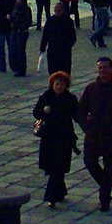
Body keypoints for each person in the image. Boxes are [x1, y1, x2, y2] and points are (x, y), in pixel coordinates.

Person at [76, 56, 112, 211]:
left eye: (105, 67)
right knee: (90, 162)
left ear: (111, 69)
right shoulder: (91, 88)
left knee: (110, 168)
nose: (102, 70)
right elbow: (81, 110)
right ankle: (106, 187)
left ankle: (104, 198)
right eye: (100, 68)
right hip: (94, 133)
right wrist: (86, 127)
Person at [33, 71, 79, 208]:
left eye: (62, 84)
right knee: (54, 168)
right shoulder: (46, 97)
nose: (59, 87)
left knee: (58, 168)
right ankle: (59, 192)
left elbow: (76, 115)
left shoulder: (70, 99)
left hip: (65, 137)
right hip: (49, 137)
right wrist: (44, 112)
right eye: (57, 84)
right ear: (52, 85)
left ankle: (52, 197)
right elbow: (36, 113)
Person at [39, 0, 77, 78]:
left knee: (64, 72)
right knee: (53, 72)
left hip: (64, 51)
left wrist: (67, 46)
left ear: (62, 10)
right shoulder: (50, 21)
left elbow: (73, 37)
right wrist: (42, 49)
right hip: (52, 50)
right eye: (55, 11)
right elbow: (45, 36)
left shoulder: (68, 21)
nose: (56, 13)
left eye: (58, 11)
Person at [9, 0, 33, 76]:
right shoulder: (16, 8)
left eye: (18, 0)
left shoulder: (26, 9)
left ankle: (21, 70)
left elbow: (28, 22)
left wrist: (21, 27)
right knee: (13, 50)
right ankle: (16, 67)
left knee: (20, 51)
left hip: (21, 32)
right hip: (14, 31)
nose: (17, 1)